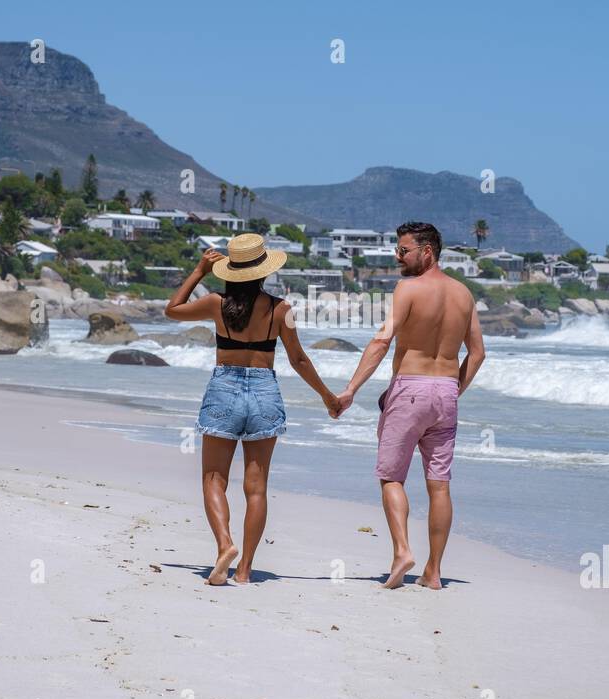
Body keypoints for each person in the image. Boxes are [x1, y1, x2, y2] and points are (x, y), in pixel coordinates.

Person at [165, 233, 341, 586]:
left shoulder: (216, 304)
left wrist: (200, 270)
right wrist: (327, 396)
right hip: (264, 392)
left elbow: (172, 309)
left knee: (214, 479)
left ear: (230, 271)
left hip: (224, 389)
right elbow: (299, 359)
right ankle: (244, 571)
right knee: (256, 488)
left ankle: (224, 546)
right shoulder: (281, 309)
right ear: (264, 271)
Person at [335, 221, 485, 588]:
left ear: (427, 251)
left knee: (391, 477)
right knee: (439, 486)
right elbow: (478, 354)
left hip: (409, 391)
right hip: (447, 392)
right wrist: (451, 392)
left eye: (403, 250)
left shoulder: (408, 288)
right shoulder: (464, 294)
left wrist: (351, 390)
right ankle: (433, 573)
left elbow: (382, 340)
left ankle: (402, 551)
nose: (397, 256)